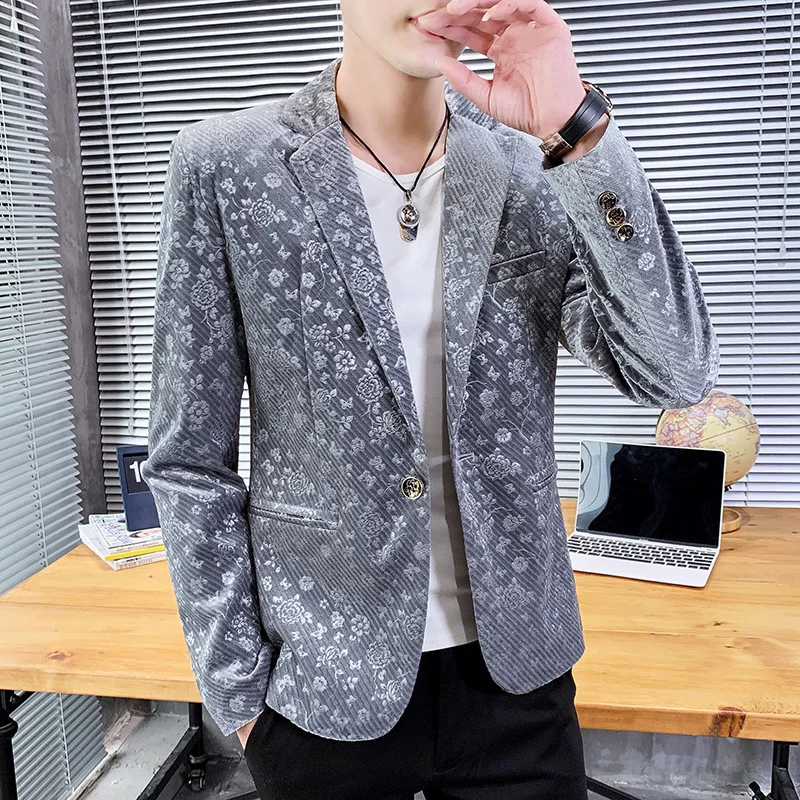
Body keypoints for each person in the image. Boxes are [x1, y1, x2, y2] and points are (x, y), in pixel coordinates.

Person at [141, 0, 720, 798]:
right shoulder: (227, 165)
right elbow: (189, 459)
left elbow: (673, 375)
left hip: (518, 679)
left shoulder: (531, 163)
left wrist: (580, 132)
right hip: (322, 685)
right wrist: (238, 695)